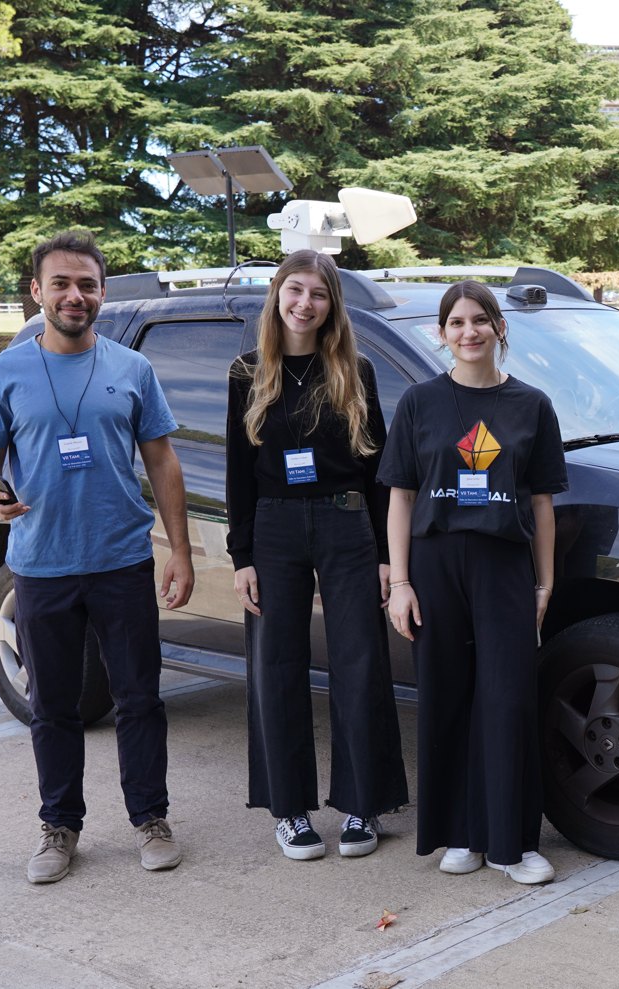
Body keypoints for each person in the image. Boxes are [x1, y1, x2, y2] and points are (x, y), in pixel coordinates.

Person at [0, 230, 194, 884]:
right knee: (54, 706)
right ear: (36, 291)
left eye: (87, 284)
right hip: (39, 564)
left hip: (120, 559)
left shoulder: (132, 369)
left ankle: (151, 817)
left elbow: (163, 460)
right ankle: (59, 826)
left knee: (139, 698)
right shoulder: (5, 370)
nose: (75, 295)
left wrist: (178, 550)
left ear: (102, 292)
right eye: (61, 283)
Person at [379, 280, 567, 885]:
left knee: (509, 701)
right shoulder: (419, 403)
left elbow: (542, 506)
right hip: (435, 568)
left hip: (503, 565)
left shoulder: (531, 405)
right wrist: (400, 583)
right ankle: (461, 834)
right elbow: (400, 497)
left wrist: (544, 585)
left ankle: (515, 841)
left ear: (498, 328)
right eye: (456, 322)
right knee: (448, 698)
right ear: (441, 333)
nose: (468, 332)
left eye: (479, 320)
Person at [225, 250, 409, 861]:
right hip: (274, 529)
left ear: (333, 306)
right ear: (277, 295)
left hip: (346, 520)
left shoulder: (354, 370)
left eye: (319, 294)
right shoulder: (246, 372)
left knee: (360, 662)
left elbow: (379, 469)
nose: (305, 303)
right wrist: (242, 556)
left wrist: (386, 553)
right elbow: (238, 474)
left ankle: (364, 805)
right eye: (295, 290)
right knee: (275, 666)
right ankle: (290, 811)